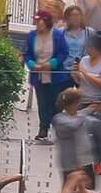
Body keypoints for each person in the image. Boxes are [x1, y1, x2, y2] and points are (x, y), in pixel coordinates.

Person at [25, 10, 75, 141]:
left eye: (39, 21)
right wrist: (32, 64)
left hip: (55, 76)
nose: (37, 24)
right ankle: (43, 128)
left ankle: (57, 126)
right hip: (38, 75)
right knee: (42, 102)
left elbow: (64, 52)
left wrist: (52, 63)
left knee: (55, 103)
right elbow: (28, 54)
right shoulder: (31, 36)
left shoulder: (57, 35)